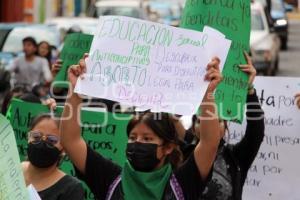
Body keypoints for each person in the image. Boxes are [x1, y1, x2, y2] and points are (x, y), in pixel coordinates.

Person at [59, 55, 223, 200]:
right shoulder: (109, 179)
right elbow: (70, 140)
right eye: (133, 137)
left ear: (167, 148)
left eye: (147, 138)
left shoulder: (183, 183)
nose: (137, 143)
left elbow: (209, 143)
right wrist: (75, 90)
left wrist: (207, 93)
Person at [189, 52, 265, 200]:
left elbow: (256, 132)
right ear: (192, 128)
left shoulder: (236, 157)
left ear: (226, 126)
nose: (209, 125)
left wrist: (249, 90)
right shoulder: (182, 153)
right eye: (201, 120)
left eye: (217, 121)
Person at [22, 114, 85, 200]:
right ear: (28, 137)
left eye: (51, 140)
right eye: (36, 136)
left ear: (63, 149)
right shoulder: (10, 169)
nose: (42, 142)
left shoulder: (70, 189)